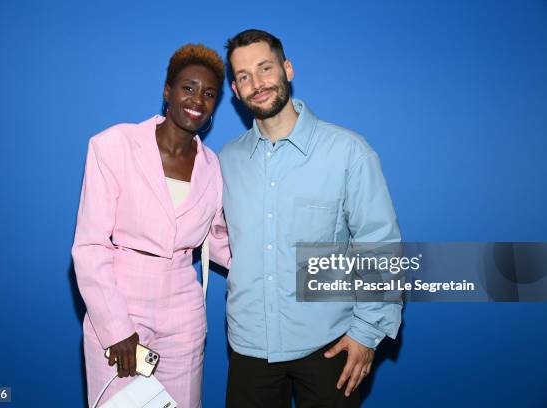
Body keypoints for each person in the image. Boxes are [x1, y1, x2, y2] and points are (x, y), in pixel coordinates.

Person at [219, 29, 402, 407]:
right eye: (243, 76)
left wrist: (367, 333)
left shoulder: (348, 152)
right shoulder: (225, 162)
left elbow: (379, 245)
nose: (257, 83)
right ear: (235, 92)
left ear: (287, 68)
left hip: (330, 347)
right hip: (250, 348)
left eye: (265, 68)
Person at [71, 44, 230, 407]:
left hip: (184, 312)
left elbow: (219, 241)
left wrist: (280, 262)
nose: (197, 100)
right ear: (167, 91)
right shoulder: (112, 145)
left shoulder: (213, 167)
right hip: (119, 301)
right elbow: (90, 246)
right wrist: (116, 328)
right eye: (188, 88)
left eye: (209, 94)